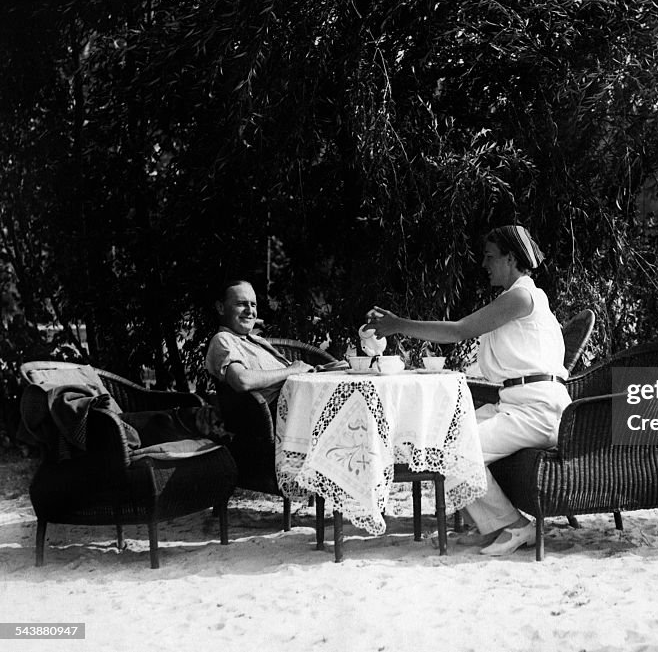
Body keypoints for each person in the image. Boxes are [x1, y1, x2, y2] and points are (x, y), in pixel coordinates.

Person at [366, 225, 571, 556]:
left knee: (451, 448)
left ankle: (515, 526)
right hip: (517, 407)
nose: (484, 264)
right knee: (439, 438)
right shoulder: (515, 299)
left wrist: (398, 324)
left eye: (490, 257)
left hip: (539, 411)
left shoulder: (522, 296)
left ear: (511, 257)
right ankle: (495, 525)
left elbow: (460, 330)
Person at [205, 280, 315, 412]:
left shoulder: (256, 340)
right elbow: (242, 380)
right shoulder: (223, 339)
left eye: (253, 305)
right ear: (221, 308)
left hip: (303, 395)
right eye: (241, 304)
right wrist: (292, 371)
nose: (250, 311)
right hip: (284, 412)